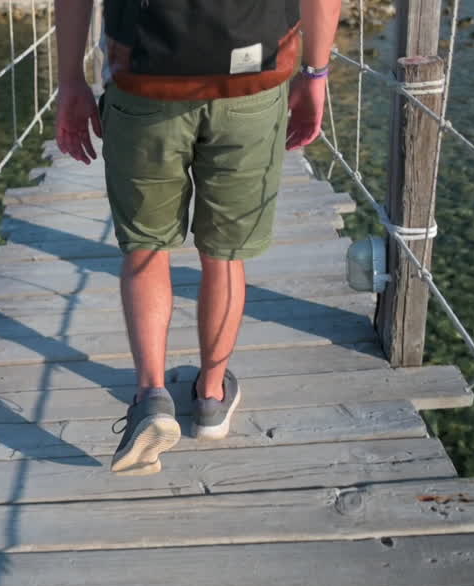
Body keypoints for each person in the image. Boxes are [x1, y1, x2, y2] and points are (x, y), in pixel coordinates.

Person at [55, 0, 342, 475]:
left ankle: (151, 396)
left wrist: (70, 80)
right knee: (225, 256)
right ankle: (210, 396)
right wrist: (315, 75)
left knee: (146, 249)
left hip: (145, 82)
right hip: (252, 82)